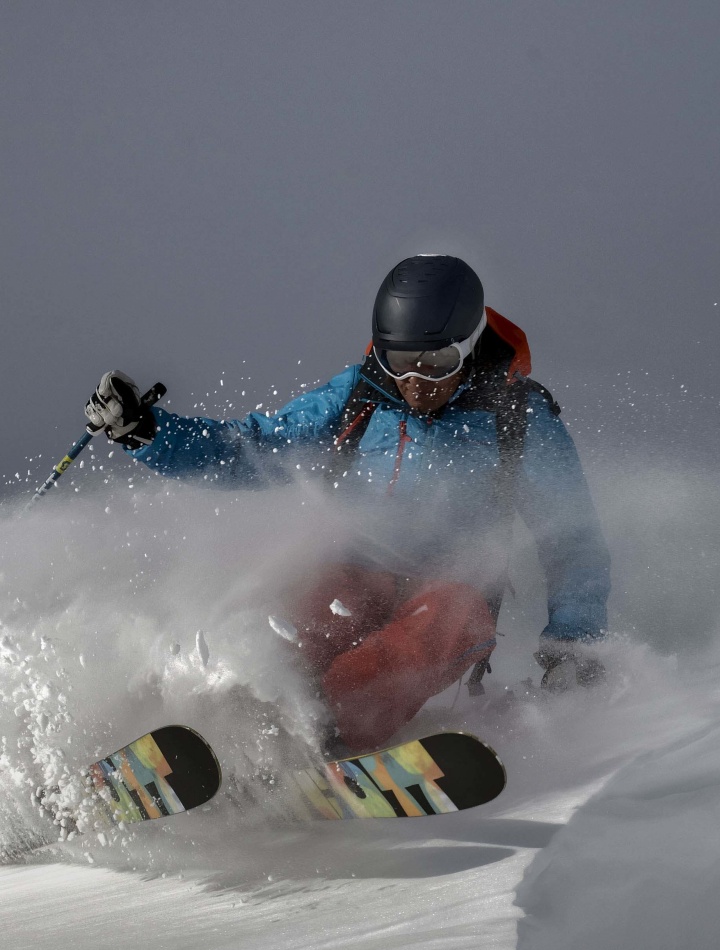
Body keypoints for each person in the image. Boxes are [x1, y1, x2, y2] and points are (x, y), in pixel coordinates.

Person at [85, 255, 611, 754]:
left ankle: (328, 742)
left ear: (469, 346)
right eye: (400, 361)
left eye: (437, 364)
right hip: (357, 572)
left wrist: (572, 646)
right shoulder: (360, 395)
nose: (415, 382)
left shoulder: (518, 418)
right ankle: (232, 733)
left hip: (453, 592)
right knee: (291, 630)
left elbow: (571, 540)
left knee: (418, 640)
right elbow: (256, 447)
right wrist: (147, 431)